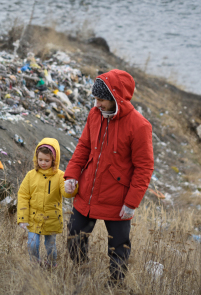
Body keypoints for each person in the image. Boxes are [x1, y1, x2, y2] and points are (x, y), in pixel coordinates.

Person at [64, 69, 154, 286]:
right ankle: (82, 272)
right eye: (95, 98)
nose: (96, 104)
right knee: (74, 238)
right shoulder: (95, 115)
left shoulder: (140, 125)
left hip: (118, 199)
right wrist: (72, 175)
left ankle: (115, 286)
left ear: (117, 97)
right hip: (87, 192)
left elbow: (144, 167)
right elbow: (84, 146)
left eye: (101, 99)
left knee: (118, 247)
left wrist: (131, 202)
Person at [17, 138, 77, 267]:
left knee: (50, 246)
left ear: (54, 160)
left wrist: (71, 187)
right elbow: (23, 196)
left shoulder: (61, 176)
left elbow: (67, 194)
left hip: (52, 219)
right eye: (40, 160)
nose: (43, 163)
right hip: (33, 218)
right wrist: (22, 217)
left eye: (47, 160)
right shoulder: (30, 175)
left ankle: (51, 264)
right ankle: (34, 264)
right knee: (32, 244)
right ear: (36, 158)